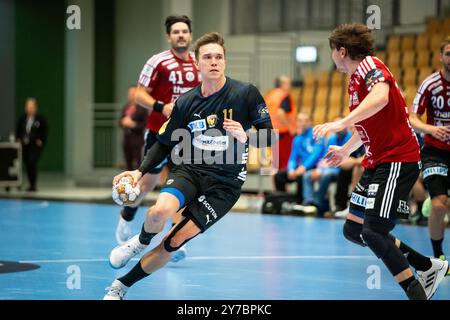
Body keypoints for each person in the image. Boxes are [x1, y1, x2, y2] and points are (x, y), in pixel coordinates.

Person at [103, 32, 274, 300]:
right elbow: (163, 142)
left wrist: (246, 136)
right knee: (159, 212)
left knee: (173, 241)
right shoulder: (186, 102)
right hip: (190, 170)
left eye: (219, 57)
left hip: (225, 185)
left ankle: (120, 286)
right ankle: (140, 241)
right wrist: (139, 171)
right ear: (197, 64)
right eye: (207, 57)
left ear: (225, 62)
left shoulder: (246, 93)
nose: (214, 62)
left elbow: (269, 138)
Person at [313, 23, 448, 300]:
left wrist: (341, 122)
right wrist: (346, 150)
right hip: (376, 161)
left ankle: (417, 291)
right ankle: (426, 264)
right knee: (353, 230)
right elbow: (367, 123)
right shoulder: (353, 80)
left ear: (341, 51)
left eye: (331, 52)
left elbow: (381, 97)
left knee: (373, 232)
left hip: (398, 159)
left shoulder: (370, 66)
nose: (332, 57)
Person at [114, 14, 201, 266]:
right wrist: (160, 106)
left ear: (190, 35)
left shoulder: (198, 63)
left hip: (188, 137)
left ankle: (173, 241)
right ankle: (127, 215)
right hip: (159, 132)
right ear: (168, 36)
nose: (181, 35)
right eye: (176, 32)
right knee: (146, 184)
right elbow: (139, 94)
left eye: (185, 31)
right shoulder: (158, 61)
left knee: (185, 189)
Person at [409, 36, 450, 260]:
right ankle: (439, 257)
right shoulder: (430, 84)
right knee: (439, 205)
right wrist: (431, 129)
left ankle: (435, 198)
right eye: (449, 53)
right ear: (441, 57)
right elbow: (412, 117)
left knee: (442, 203)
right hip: (436, 151)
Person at [274, 112, 325, 205]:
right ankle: (281, 202)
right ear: (297, 122)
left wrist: (304, 167)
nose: (303, 123)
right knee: (279, 175)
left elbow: (316, 154)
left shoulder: (317, 135)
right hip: (300, 167)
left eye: (306, 120)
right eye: (300, 120)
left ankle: (300, 202)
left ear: (310, 122)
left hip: (315, 167)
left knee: (302, 175)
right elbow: (293, 157)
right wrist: (291, 169)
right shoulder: (297, 139)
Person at [15, 98, 48, 192]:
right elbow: (18, 131)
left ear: (35, 108)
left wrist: (41, 140)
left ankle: (33, 185)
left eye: (31, 107)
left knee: (32, 162)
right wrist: (19, 139)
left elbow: (44, 131)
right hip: (24, 146)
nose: (29, 109)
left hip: (35, 147)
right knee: (27, 164)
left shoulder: (40, 119)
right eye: (28, 107)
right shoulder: (22, 119)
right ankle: (28, 184)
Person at [265, 75, 297, 170]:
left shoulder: (269, 96)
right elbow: (280, 112)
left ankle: (276, 185)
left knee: (275, 164)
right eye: (288, 83)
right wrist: (291, 128)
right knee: (284, 163)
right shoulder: (284, 95)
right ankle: (283, 185)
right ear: (282, 84)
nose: (290, 86)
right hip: (283, 134)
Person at [120, 86, 148, 171]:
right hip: (126, 138)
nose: (131, 95)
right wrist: (123, 122)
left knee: (138, 161)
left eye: (133, 93)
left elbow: (145, 124)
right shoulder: (126, 107)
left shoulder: (142, 108)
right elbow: (119, 121)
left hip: (137, 139)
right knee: (128, 162)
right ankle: (128, 182)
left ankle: (139, 182)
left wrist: (133, 124)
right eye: (130, 94)